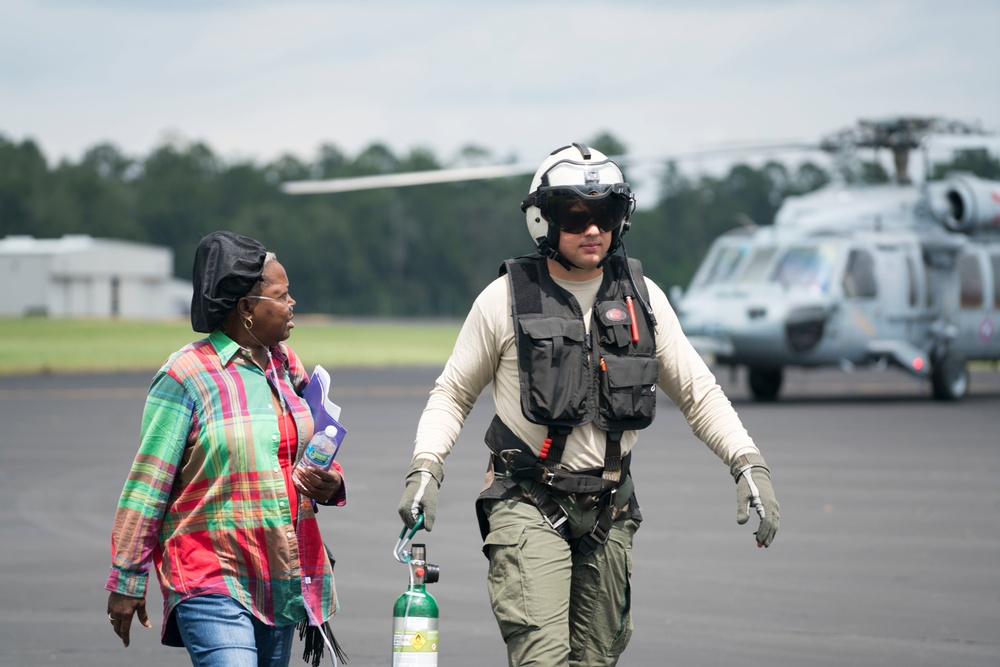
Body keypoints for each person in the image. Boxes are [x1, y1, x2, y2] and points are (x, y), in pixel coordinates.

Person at [397, 144, 780, 667]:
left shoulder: (643, 298)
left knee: (596, 661)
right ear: (543, 220)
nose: (593, 229)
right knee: (543, 660)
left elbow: (698, 392)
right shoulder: (505, 299)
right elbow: (453, 394)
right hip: (527, 500)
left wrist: (746, 461)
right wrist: (426, 467)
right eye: (576, 216)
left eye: (605, 215)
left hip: (610, 508)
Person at [105, 230, 346, 667]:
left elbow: (313, 441)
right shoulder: (185, 375)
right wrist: (127, 577)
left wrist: (331, 482)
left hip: (280, 572)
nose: (293, 305)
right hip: (208, 573)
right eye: (283, 296)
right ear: (248, 309)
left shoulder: (286, 364)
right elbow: (150, 481)